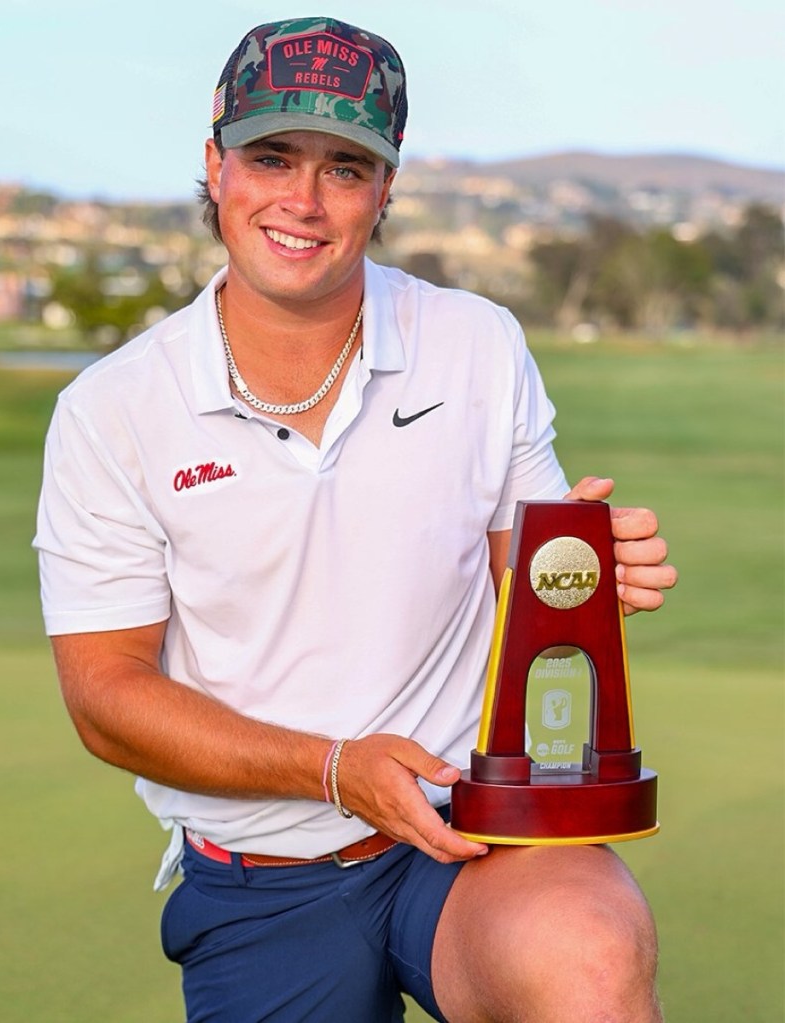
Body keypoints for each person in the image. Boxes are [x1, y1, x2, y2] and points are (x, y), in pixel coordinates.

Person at [34, 16, 678, 1023]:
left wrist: (589, 579)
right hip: (265, 876)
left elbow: (527, 581)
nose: (303, 199)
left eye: (344, 167)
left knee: (587, 963)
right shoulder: (111, 409)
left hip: (474, 837)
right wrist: (334, 769)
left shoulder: (476, 343)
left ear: (386, 189)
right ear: (215, 164)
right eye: (272, 157)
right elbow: (105, 697)